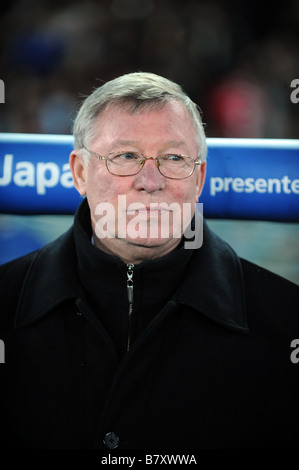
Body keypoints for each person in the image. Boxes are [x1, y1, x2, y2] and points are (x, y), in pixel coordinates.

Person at [0, 72, 298, 450]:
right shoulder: (6, 303)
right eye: (126, 156)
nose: (150, 181)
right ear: (79, 173)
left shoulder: (285, 320)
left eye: (173, 157)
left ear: (199, 177)